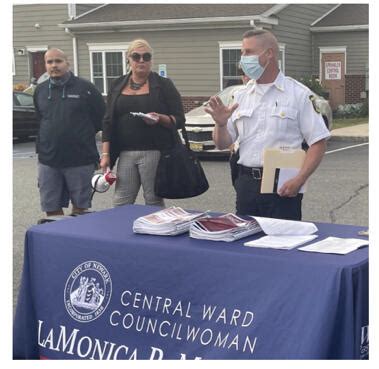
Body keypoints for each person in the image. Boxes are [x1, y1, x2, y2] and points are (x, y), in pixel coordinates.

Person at [205, 30, 331, 220]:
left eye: (248, 52)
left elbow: (318, 142)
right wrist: (221, 124)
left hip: (283, 184)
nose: (243, 59)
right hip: (246, 182)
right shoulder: (240, 96)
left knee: (281, 245)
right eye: (242, 53)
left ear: (269, 53)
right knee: (245, 245)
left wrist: (300, 179)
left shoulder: (298, 94)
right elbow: (222, 144)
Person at [100, 39, 185, 207]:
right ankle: (121, 233)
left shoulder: (163, 85)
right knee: (121, 202)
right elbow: (108, 121)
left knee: (153, 200)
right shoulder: (117, 84)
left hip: (154, 151)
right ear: (128, 59)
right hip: (125, 152)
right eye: (136, 56)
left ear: (151, 60)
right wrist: (106, 155)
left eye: (146, 56)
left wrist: (160, 118)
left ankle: (156, 232)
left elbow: (179, 119)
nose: (141, 61)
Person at [33, 48, 105, 218]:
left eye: (58, 61)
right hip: (49, 160)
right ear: (45, 65)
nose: (54, 65)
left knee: (81, 209)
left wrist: (79, 135)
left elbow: (101, 118)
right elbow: (41, 119)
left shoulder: (86, 88)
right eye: (49, 62)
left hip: (80, 159)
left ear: (67, 63)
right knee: (51, 208)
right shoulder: (40, 90)